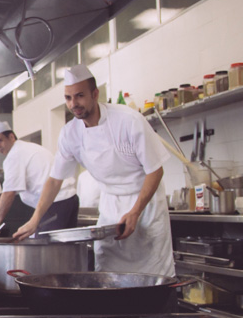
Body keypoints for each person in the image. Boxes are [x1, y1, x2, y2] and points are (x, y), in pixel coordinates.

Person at [14, 64, 175, 276]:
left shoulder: (129, 121)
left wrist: (135, 211)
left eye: (79, 96)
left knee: (152, 276)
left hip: (145, 207)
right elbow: (54, 180)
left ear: (95, 94)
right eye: (68, 98)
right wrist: (35, 220)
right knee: (108, 272)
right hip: (110, 207)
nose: (74, 104)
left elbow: (155, 171)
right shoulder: (70, 133)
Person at [0, 121, 78, 238]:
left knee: (44, 249)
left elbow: (8, 193)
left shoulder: (14, 156)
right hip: (69, 199)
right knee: (66, 247)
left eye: (0, 141)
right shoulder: (28, 147)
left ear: (11, 137)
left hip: (56, 203)